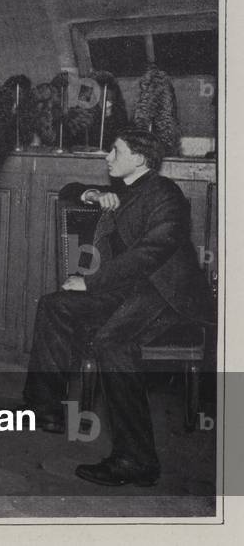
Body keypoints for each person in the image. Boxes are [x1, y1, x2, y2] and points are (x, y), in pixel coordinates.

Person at [23, 127, 214, 486]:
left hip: (168, 297)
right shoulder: (125, 189)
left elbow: (152, 253)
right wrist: (94, 192)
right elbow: (68, 191)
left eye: (114, 150)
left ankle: (136, 460)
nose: (107, 157)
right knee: (55, 305)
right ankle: (44, 409)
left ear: (139, 159)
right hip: (132, 290)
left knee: (113, 343)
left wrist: (90, 282)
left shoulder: (166, 195)